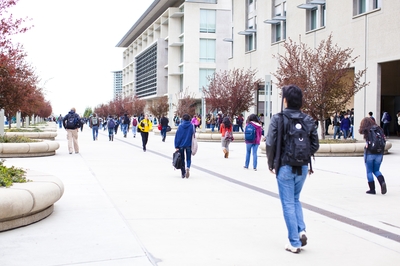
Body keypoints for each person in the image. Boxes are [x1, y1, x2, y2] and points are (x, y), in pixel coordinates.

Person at [266, 85, 319, 254]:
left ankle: (294, 241)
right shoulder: (308, 120)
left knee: (288, 203)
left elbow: (270, 143)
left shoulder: (278, 119)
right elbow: (315, 145)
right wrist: (303, 156)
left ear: (285, 100)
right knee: (295, 199)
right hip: (303, 167)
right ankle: (301, 230)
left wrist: (271, 163)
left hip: (285, 166)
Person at [358, 117, 387, 195]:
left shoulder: (367, 130)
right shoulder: (379, 129)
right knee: (377, 170)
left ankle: (372, 189)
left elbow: (368, 143)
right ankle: (382, 182)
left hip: (370, 153)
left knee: (369, 171)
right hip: (379, 153)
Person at [174, 114, 194, 178]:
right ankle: (188, 167)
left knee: (182, 159)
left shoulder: (180, 126)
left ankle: (183, 173)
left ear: (183, 119)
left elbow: (177, 136)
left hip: (181, 145)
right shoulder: (191, 126)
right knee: (188, 158)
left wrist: (176, 146)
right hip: (189, 144)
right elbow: (193, 135)